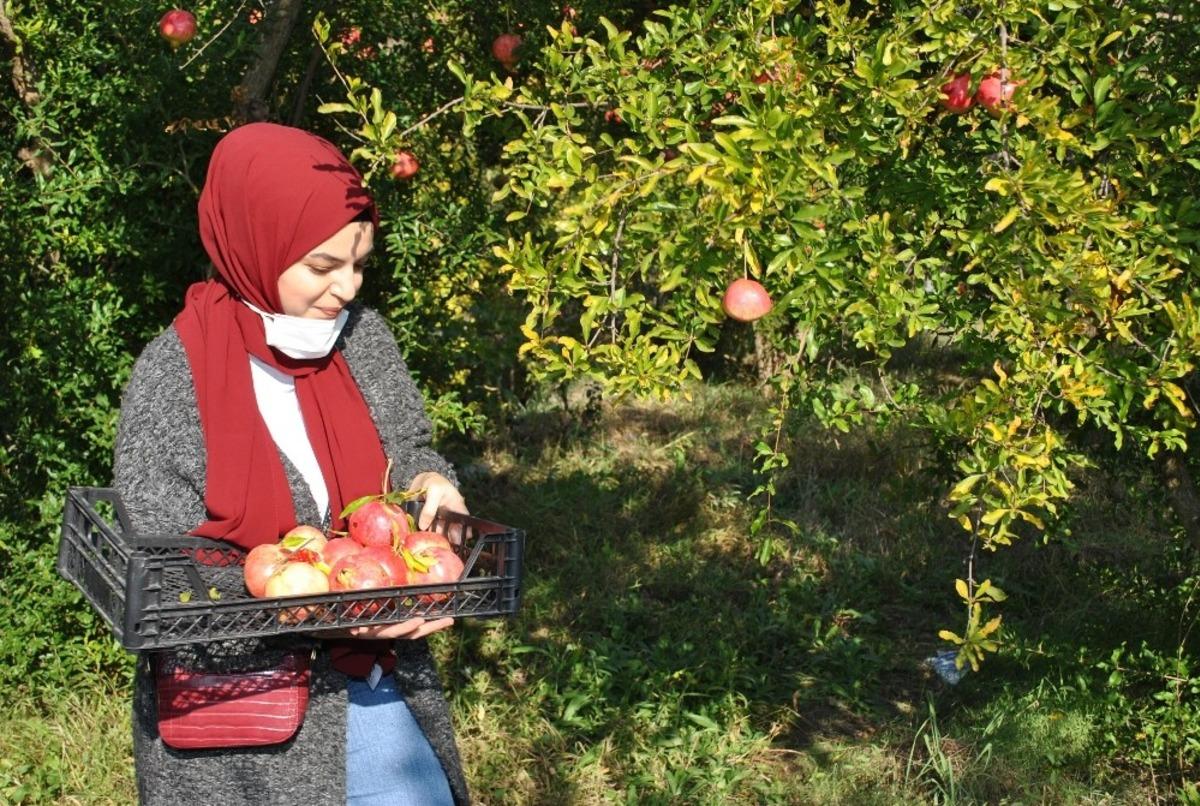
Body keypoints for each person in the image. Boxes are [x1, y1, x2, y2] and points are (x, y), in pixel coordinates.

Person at [112, 122, 470, 805]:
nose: (346, 288)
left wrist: (431, 483)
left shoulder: (362, 341)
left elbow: (409, 450)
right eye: (323, 266)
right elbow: (166, 569)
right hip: (241, 713)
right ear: (256, 241)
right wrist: (311, 606)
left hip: (373, 679)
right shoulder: (174, 377)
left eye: (359, 264)